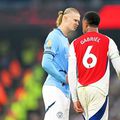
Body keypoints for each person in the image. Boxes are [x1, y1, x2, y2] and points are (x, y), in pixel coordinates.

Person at [68, 11, 120, 120]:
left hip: (81, 90)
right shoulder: (108, 41)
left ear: (85, 24)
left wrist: (74, 98)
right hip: (98, 90)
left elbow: (72, 72)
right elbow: (118, 67)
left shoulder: (74, 43)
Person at [42, 7, 80, 120]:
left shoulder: (65, 39)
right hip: (55, 88)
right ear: (65, 18)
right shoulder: (54, 36)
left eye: (78, 21)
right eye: (75, 20)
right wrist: (64, 78)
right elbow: (46, 63)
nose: (77, 23)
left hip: (64, 91)